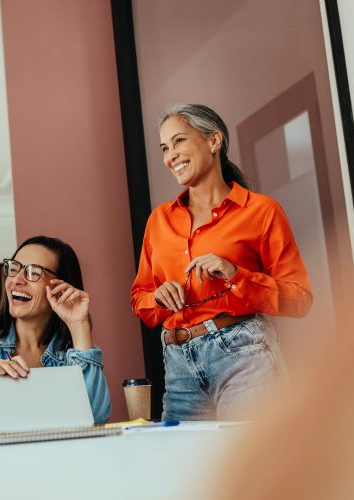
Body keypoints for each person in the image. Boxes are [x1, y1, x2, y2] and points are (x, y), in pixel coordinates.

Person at [130, 103, 312, 421]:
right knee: (184, 467)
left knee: (253, 466)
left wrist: (234, 275)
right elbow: (141, 300)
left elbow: (300, 299)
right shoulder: (159, 220)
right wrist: (157, 297)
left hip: (243, 354)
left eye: (179, 141)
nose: (170, 155)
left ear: (214, 142)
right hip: (177, 362)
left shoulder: (261, 211)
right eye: (164, 147)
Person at [0, 236, 112, 436]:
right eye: (14, 268)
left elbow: (95, 417)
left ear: (61, 287)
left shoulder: (73, 353)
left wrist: (79, 325)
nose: (17, 280)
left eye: (33, 272)